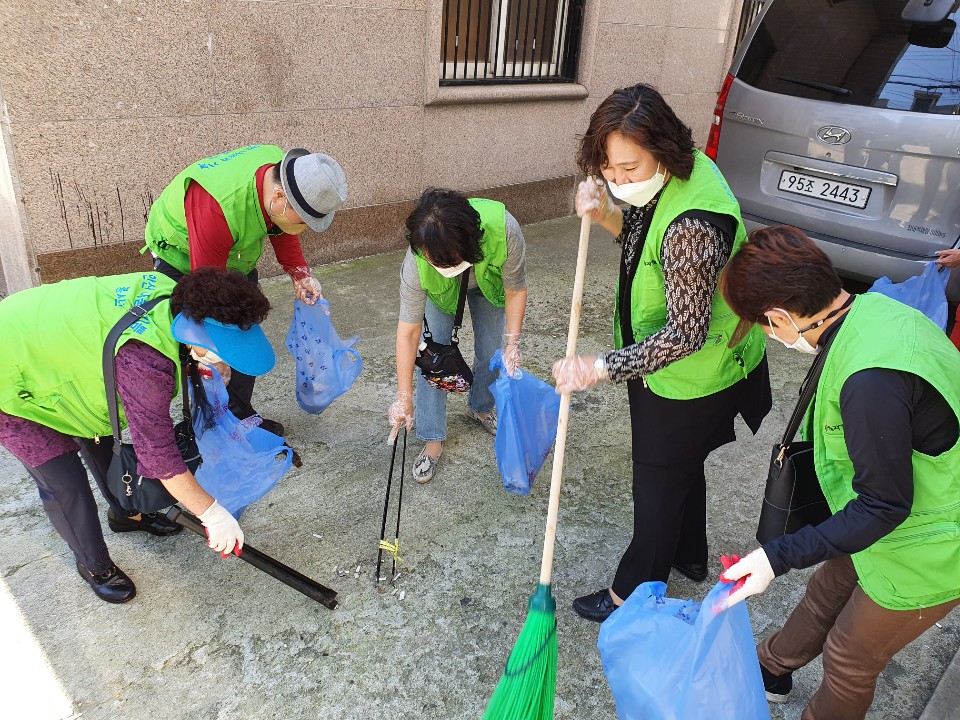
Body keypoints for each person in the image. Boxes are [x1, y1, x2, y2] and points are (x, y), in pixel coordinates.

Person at [717, 226, 960, 720]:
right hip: (898, 507)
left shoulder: (871, 383)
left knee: (850, 656)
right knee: (827, 589)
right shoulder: (871, 310)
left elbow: (885, 505)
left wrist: (774, 558)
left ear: (780, 318)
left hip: (934, 542)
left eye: (763, 327)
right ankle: (771, 668)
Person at [551, 83, 772, 622]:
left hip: (690, 375)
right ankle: (689, 555)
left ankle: (633, 591)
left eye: (629, 168)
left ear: (663, 151)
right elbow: (641, 236)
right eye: (607, 167)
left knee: (655, 481)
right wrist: (604, 211)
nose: (618, 179)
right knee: (679, 466)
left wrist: (600, 367)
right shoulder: (680, 173)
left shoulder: (693, 226)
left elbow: (683, 335)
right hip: (701, 367)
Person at [0, 267, 276, 604]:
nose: (229, 357)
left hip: (65, 358)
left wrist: (201, 359)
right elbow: (159, 458)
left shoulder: (179, 296)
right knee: (64, 483)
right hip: (11, 377)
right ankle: (94, 565)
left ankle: (126, 513)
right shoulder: (145, 367)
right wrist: (212, 513)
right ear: (195, 334)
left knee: (105, 446)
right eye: (224, 348)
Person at [143, 144, 348, 432]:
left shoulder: (284, 178)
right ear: (279, 197)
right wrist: (216, 354)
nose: (303, 228)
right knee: (199, 345)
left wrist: (299, 273)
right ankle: (206, 424)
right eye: (303, 221)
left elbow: (281, 227)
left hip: (235, 253)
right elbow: (207, 291)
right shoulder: (215, 206)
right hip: (184, 255)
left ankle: (239, 413)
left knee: (243, 329)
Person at [388, 189, 528, 484]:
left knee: (493, 351)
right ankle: (432, 439)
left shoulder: (504, 230)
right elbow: (409, 330)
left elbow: (515, 288)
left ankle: (480, 408)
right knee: (433, 362)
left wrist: (512, 342)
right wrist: (403, 396)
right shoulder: (416, 260)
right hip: (440, 298)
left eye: (448, 261)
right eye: (435, 261)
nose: (442, 267)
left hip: (489, 286)